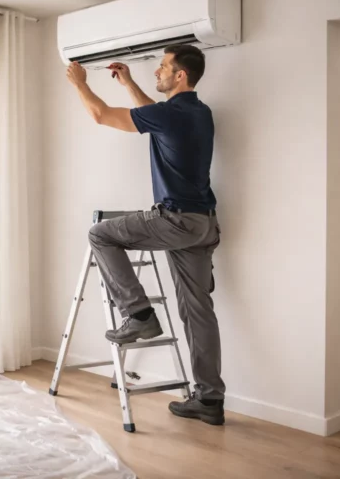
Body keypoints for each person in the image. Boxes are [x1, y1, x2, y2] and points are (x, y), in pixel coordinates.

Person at [65, 44, 226, 426]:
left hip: (176, 220)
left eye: (164, 67)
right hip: (203, 223)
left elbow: (101, 115)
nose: (159, 71)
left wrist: (79, 84)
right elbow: (151, 115)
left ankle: (138, 314)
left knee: (100, 234)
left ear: (180, 75)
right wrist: (130, 83)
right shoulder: (197, 112)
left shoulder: (171, 115)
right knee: (198, 314)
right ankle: (209, 399)